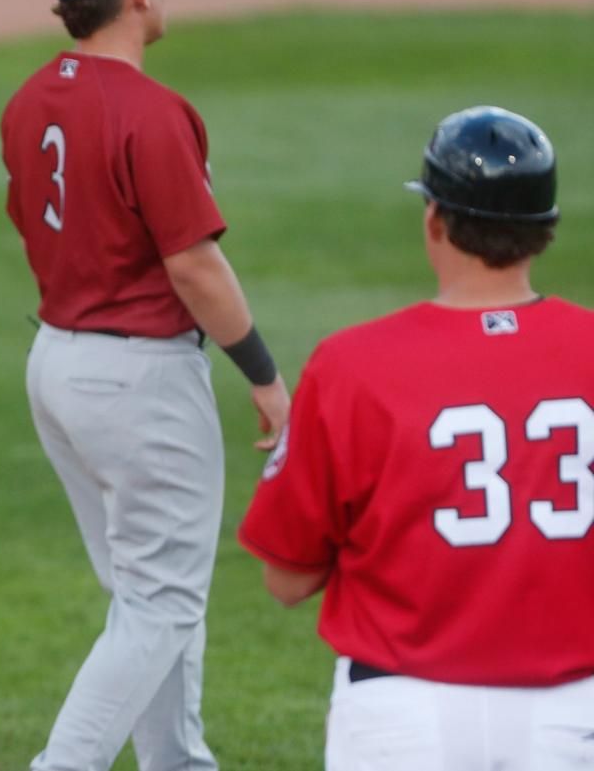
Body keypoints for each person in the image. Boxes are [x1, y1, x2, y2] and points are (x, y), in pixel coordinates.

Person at [238, 106, 594, 770]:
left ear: (434, 219)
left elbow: (286, 577)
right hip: (574, 712)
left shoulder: (353, 366)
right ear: (544, 230)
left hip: (400, 715)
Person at [0, 0, 291, 768]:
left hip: (57, 362)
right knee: (161, 602)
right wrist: (265, 377)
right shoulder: (152, 111)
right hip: (138, 381)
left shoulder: (29, 100)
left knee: (151, 600)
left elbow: (32, 221)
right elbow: (194, 267)